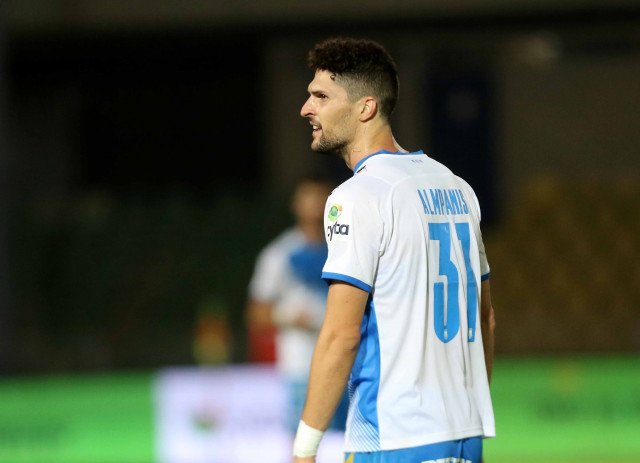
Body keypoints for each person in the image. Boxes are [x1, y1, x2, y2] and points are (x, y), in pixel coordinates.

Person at [292, 37, 496, 463]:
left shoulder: (358, 196)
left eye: (321, 97)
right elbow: (485, 318)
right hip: (464, 434)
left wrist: (305, 448)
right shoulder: (457, 187)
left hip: (395, 437)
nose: (306, 109)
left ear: (365, 108)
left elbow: (341, 335)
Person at [244, 173, 349, 436]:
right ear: (296, 204)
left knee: (348, 444)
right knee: (307, 445)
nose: (316, 205)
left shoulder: (347, 248)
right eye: (309, 198)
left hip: (349, 365)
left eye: (322, 197)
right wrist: (290, 317)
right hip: (303, 369)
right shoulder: (280, 254)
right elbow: (256, 313)